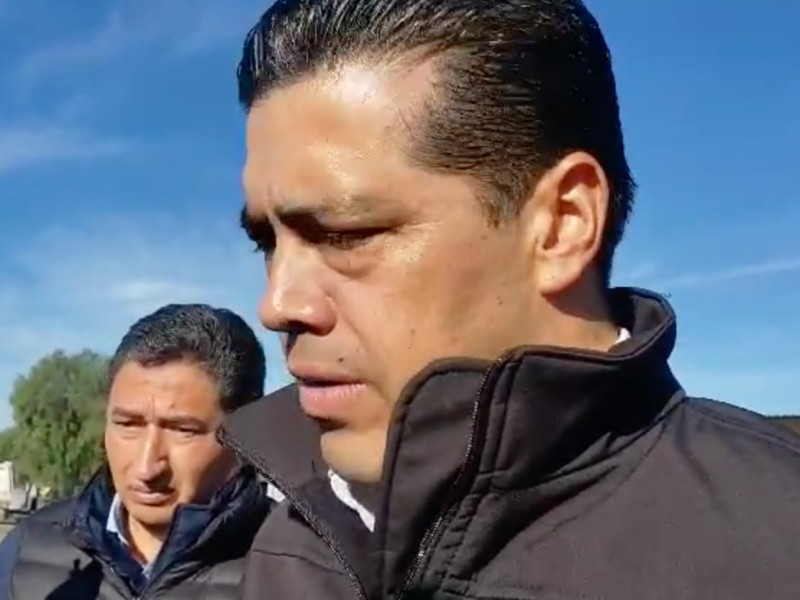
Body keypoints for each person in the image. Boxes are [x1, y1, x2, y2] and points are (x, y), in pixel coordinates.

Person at [220, 0, 800, 598]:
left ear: (562, 223)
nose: (276, 305)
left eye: (346, 233)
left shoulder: (774, 547)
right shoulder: (289, 547)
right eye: (267, 241)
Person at [0, 304, 273, 599]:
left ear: (245, 437)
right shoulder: (26, 550)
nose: (146, 467)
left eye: (183, 430)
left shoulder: (294, 565)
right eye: (127, 424)